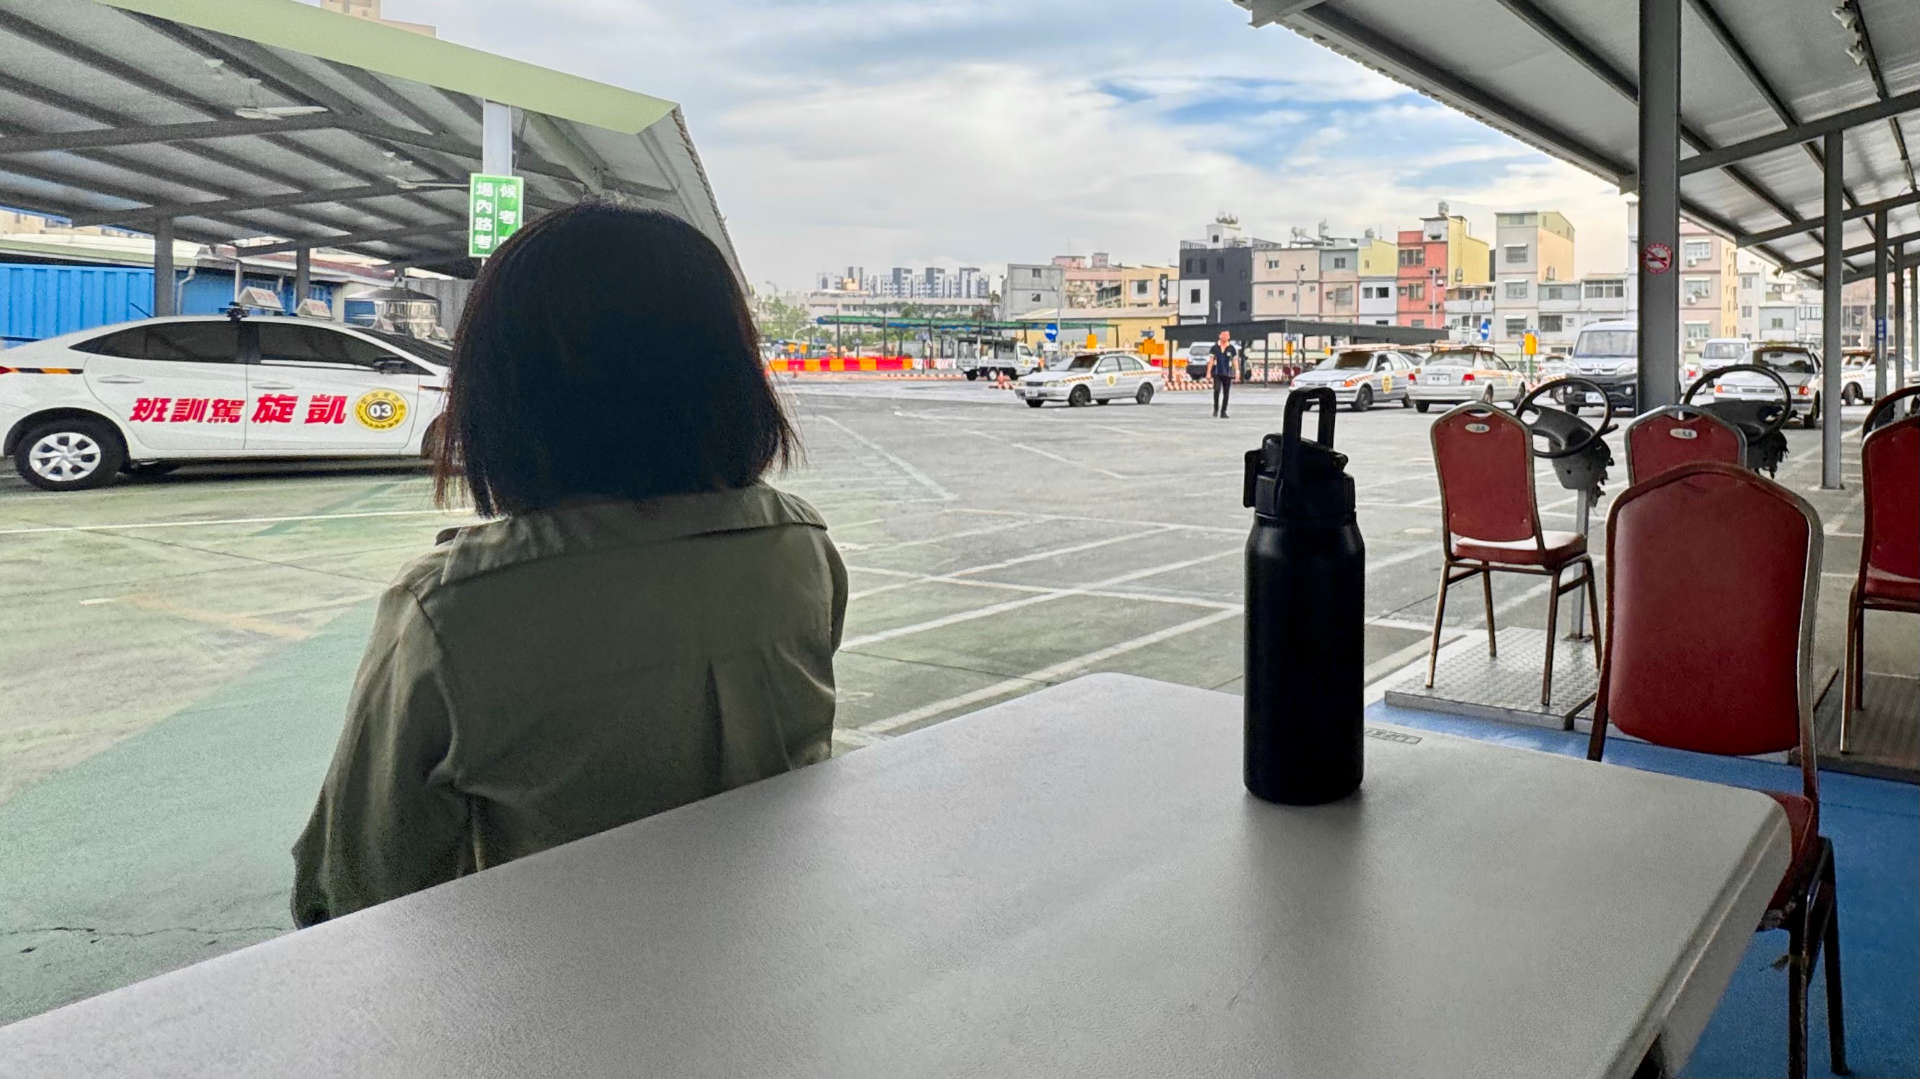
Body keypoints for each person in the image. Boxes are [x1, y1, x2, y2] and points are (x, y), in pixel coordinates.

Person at [290, 203, 847, 927]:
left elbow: (353, 886)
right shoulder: (801, 546)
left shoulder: (451, 609)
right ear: (729, 376)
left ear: (504, 392)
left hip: (563, 1006)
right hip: (786, 952)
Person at [1209, 331, 1238, 418]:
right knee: (1217, 390)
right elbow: (1211, 361)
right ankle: (1216, 409)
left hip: (1227, 373)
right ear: (1219, 336)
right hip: (1217, 372)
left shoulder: (1231, 348)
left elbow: (1235, 361)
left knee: (1226, 392)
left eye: (1227, 335)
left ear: (1229, 337)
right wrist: (1208, 372)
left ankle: (1223, 411)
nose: (1225, 337)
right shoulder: (1214, 348)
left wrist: (1237, 371)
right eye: (1223, 335)